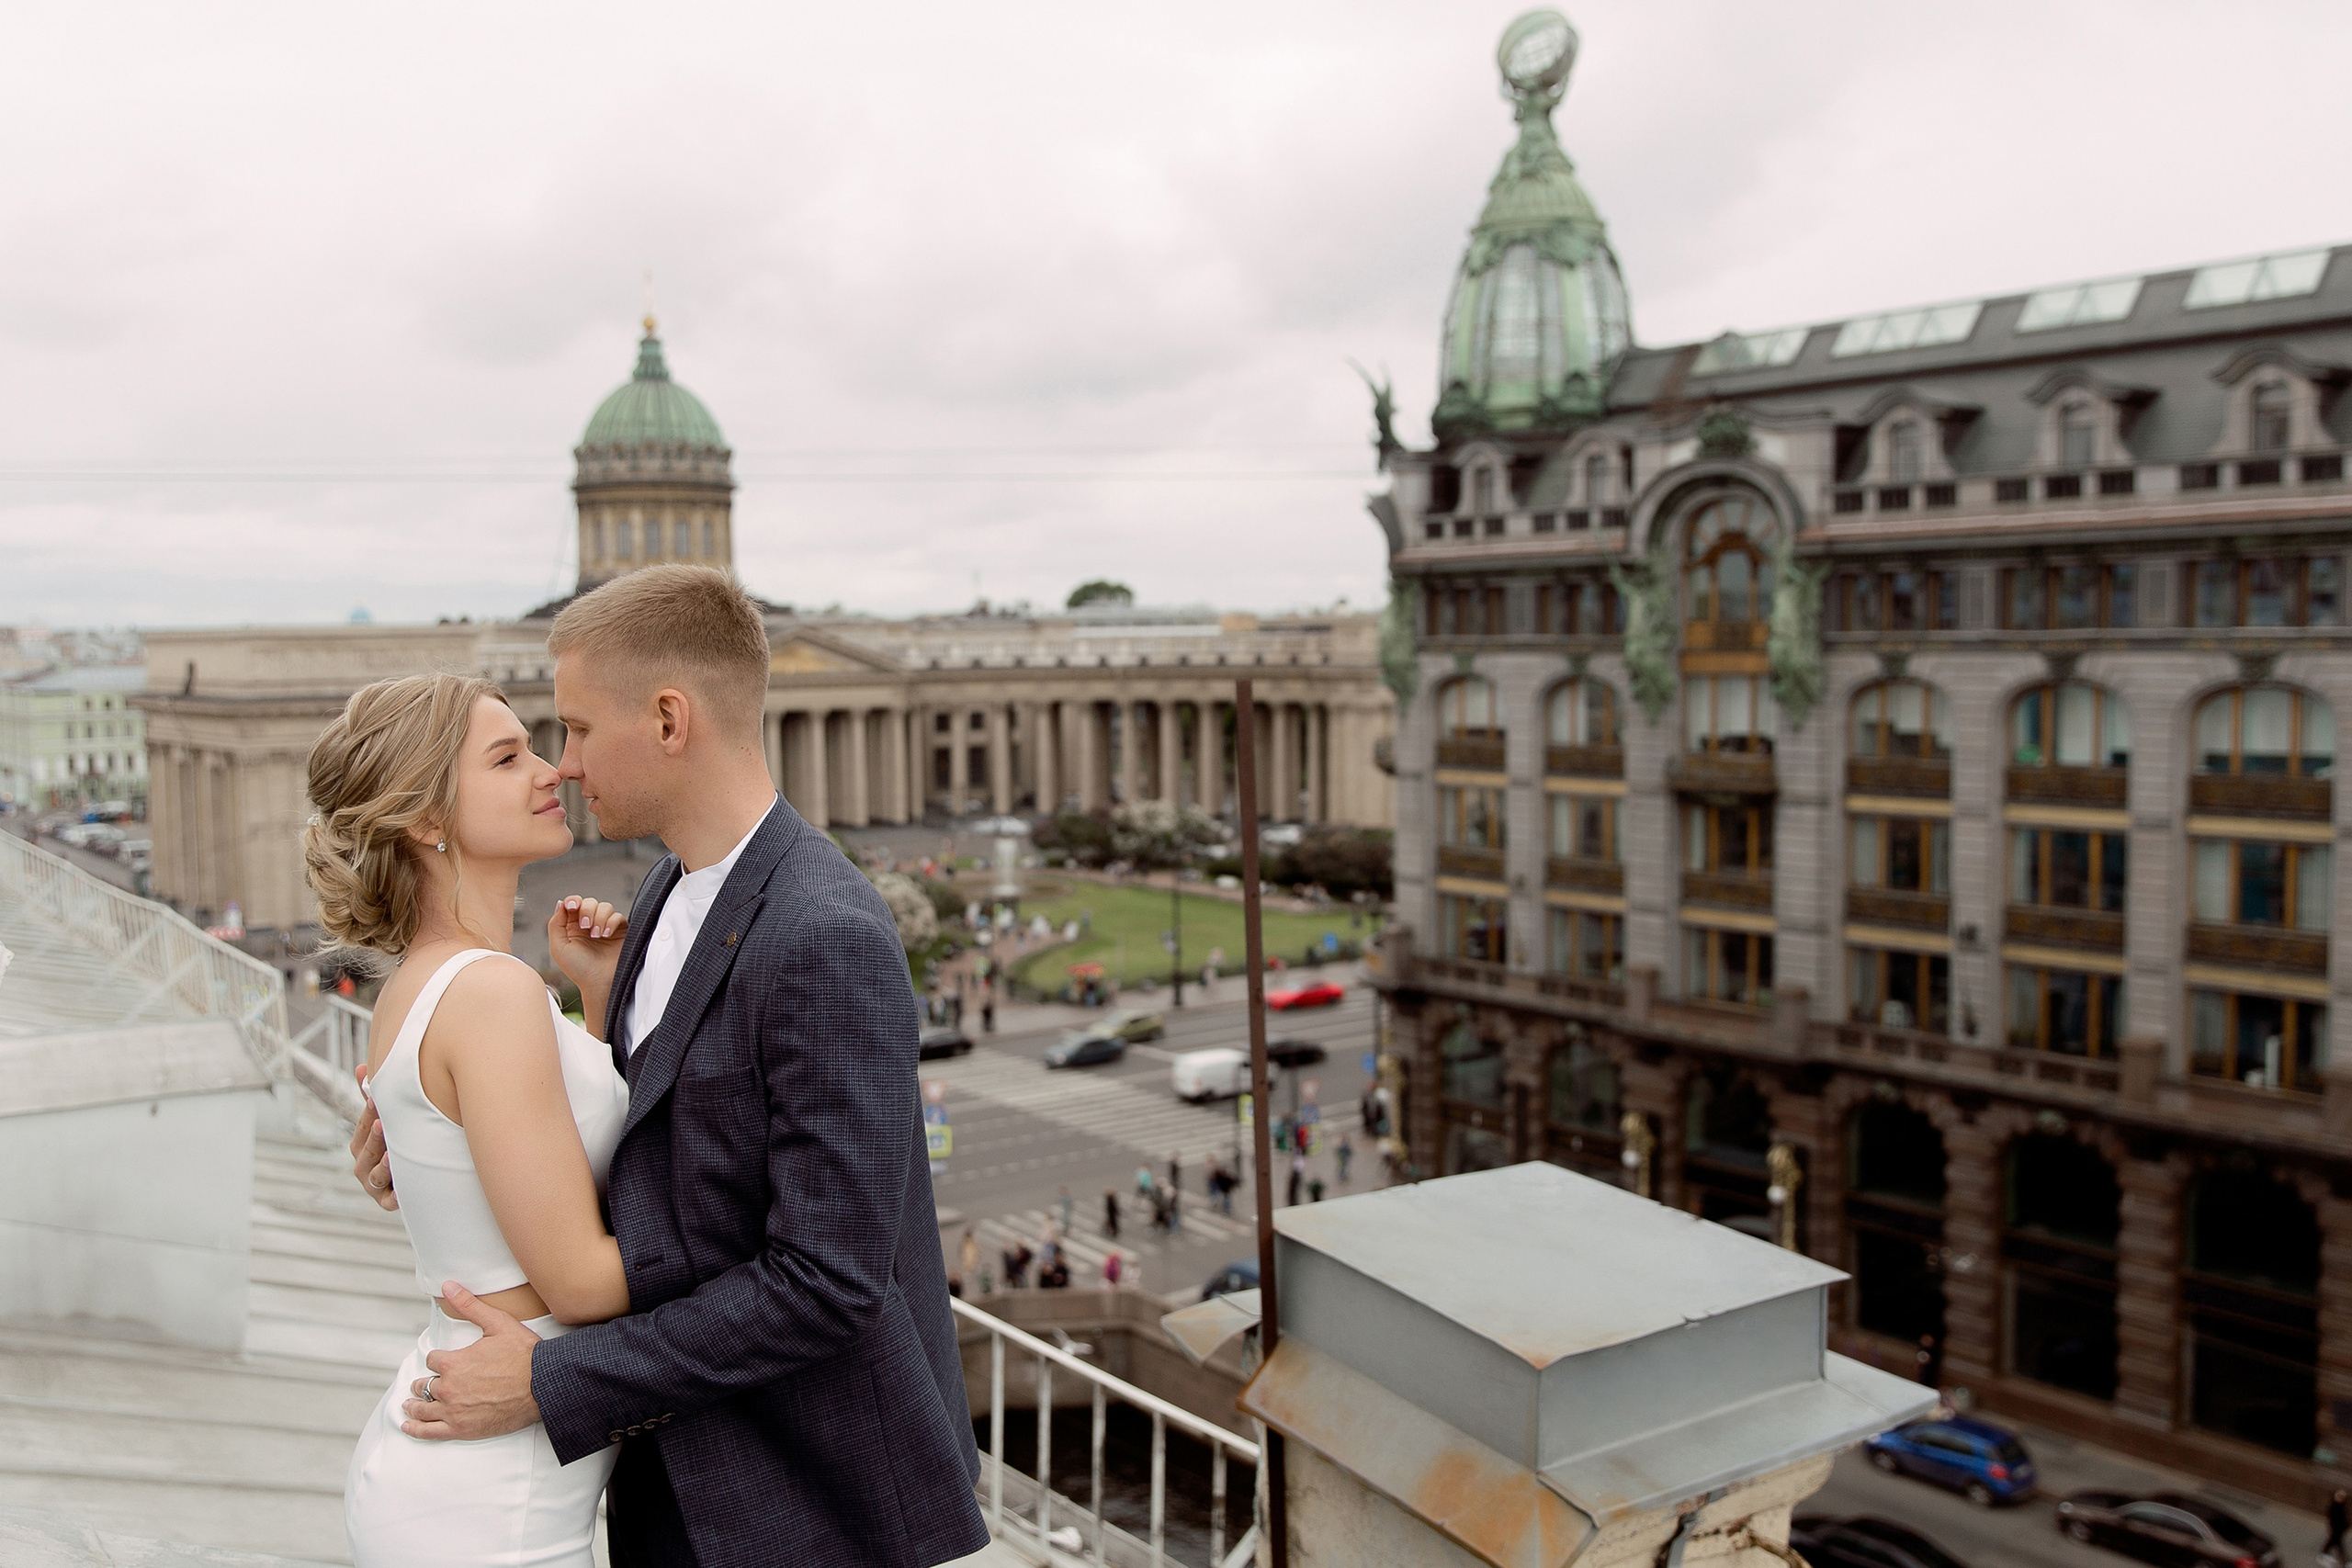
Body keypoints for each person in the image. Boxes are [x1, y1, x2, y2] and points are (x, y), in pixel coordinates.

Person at [339, 569, 987, 1568]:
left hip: (795, 1504)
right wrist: (442, 1145)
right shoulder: (656, 899)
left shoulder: (825, 932)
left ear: (671, 720)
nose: (563, 765)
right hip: (661, 1481)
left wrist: (560, 1378)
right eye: (531, 745)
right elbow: (652, 1151)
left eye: (579, 731)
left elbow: (827, 1280)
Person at [2327, 1488, 2347, 1562]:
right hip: (2336, 1528)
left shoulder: (2341, 1506)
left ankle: (2324, 1552)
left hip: (2339, 1528)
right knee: (2337, 1543)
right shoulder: (2335, 1506)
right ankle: (2344, 1561)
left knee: (2335, 1542)